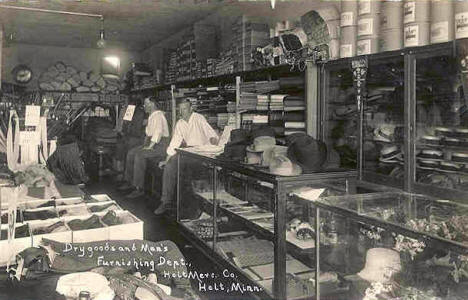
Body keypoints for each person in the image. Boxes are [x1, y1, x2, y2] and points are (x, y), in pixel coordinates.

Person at [153, 99, 218, 215]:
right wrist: (166, 160)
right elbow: (174, 143)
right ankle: (165, 202)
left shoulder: (198, 118)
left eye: (185, 109)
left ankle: (194, 207)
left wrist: (214, 145)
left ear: (191, 108)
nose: (182, 112)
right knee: (171, 164)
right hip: (189, 153)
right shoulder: (180, 123)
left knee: (186, 170)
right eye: (180, 109)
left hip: (202, 154)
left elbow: (211, 135)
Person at [118, 96, 170, 199]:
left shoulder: (158, 116)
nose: (144, 106)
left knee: (139, 155)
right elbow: (148, 133)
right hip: (152, 143)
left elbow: (158, 132)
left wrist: (150, 146)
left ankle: (139, 188)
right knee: (131, 153)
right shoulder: (152, 115)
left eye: (146, 104)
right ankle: (129, 182)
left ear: (152, 104)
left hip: (160, 146)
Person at [114, 97, 146, 179]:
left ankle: (126, 177)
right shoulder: (131, 110)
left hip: (137, 138)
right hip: (130, 136)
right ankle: (123, 174)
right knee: (121, 145)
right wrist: (124, 134)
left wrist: (126, 134)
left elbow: (137, 130)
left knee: (128, 147)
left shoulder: (140, 112)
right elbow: (125, 125)